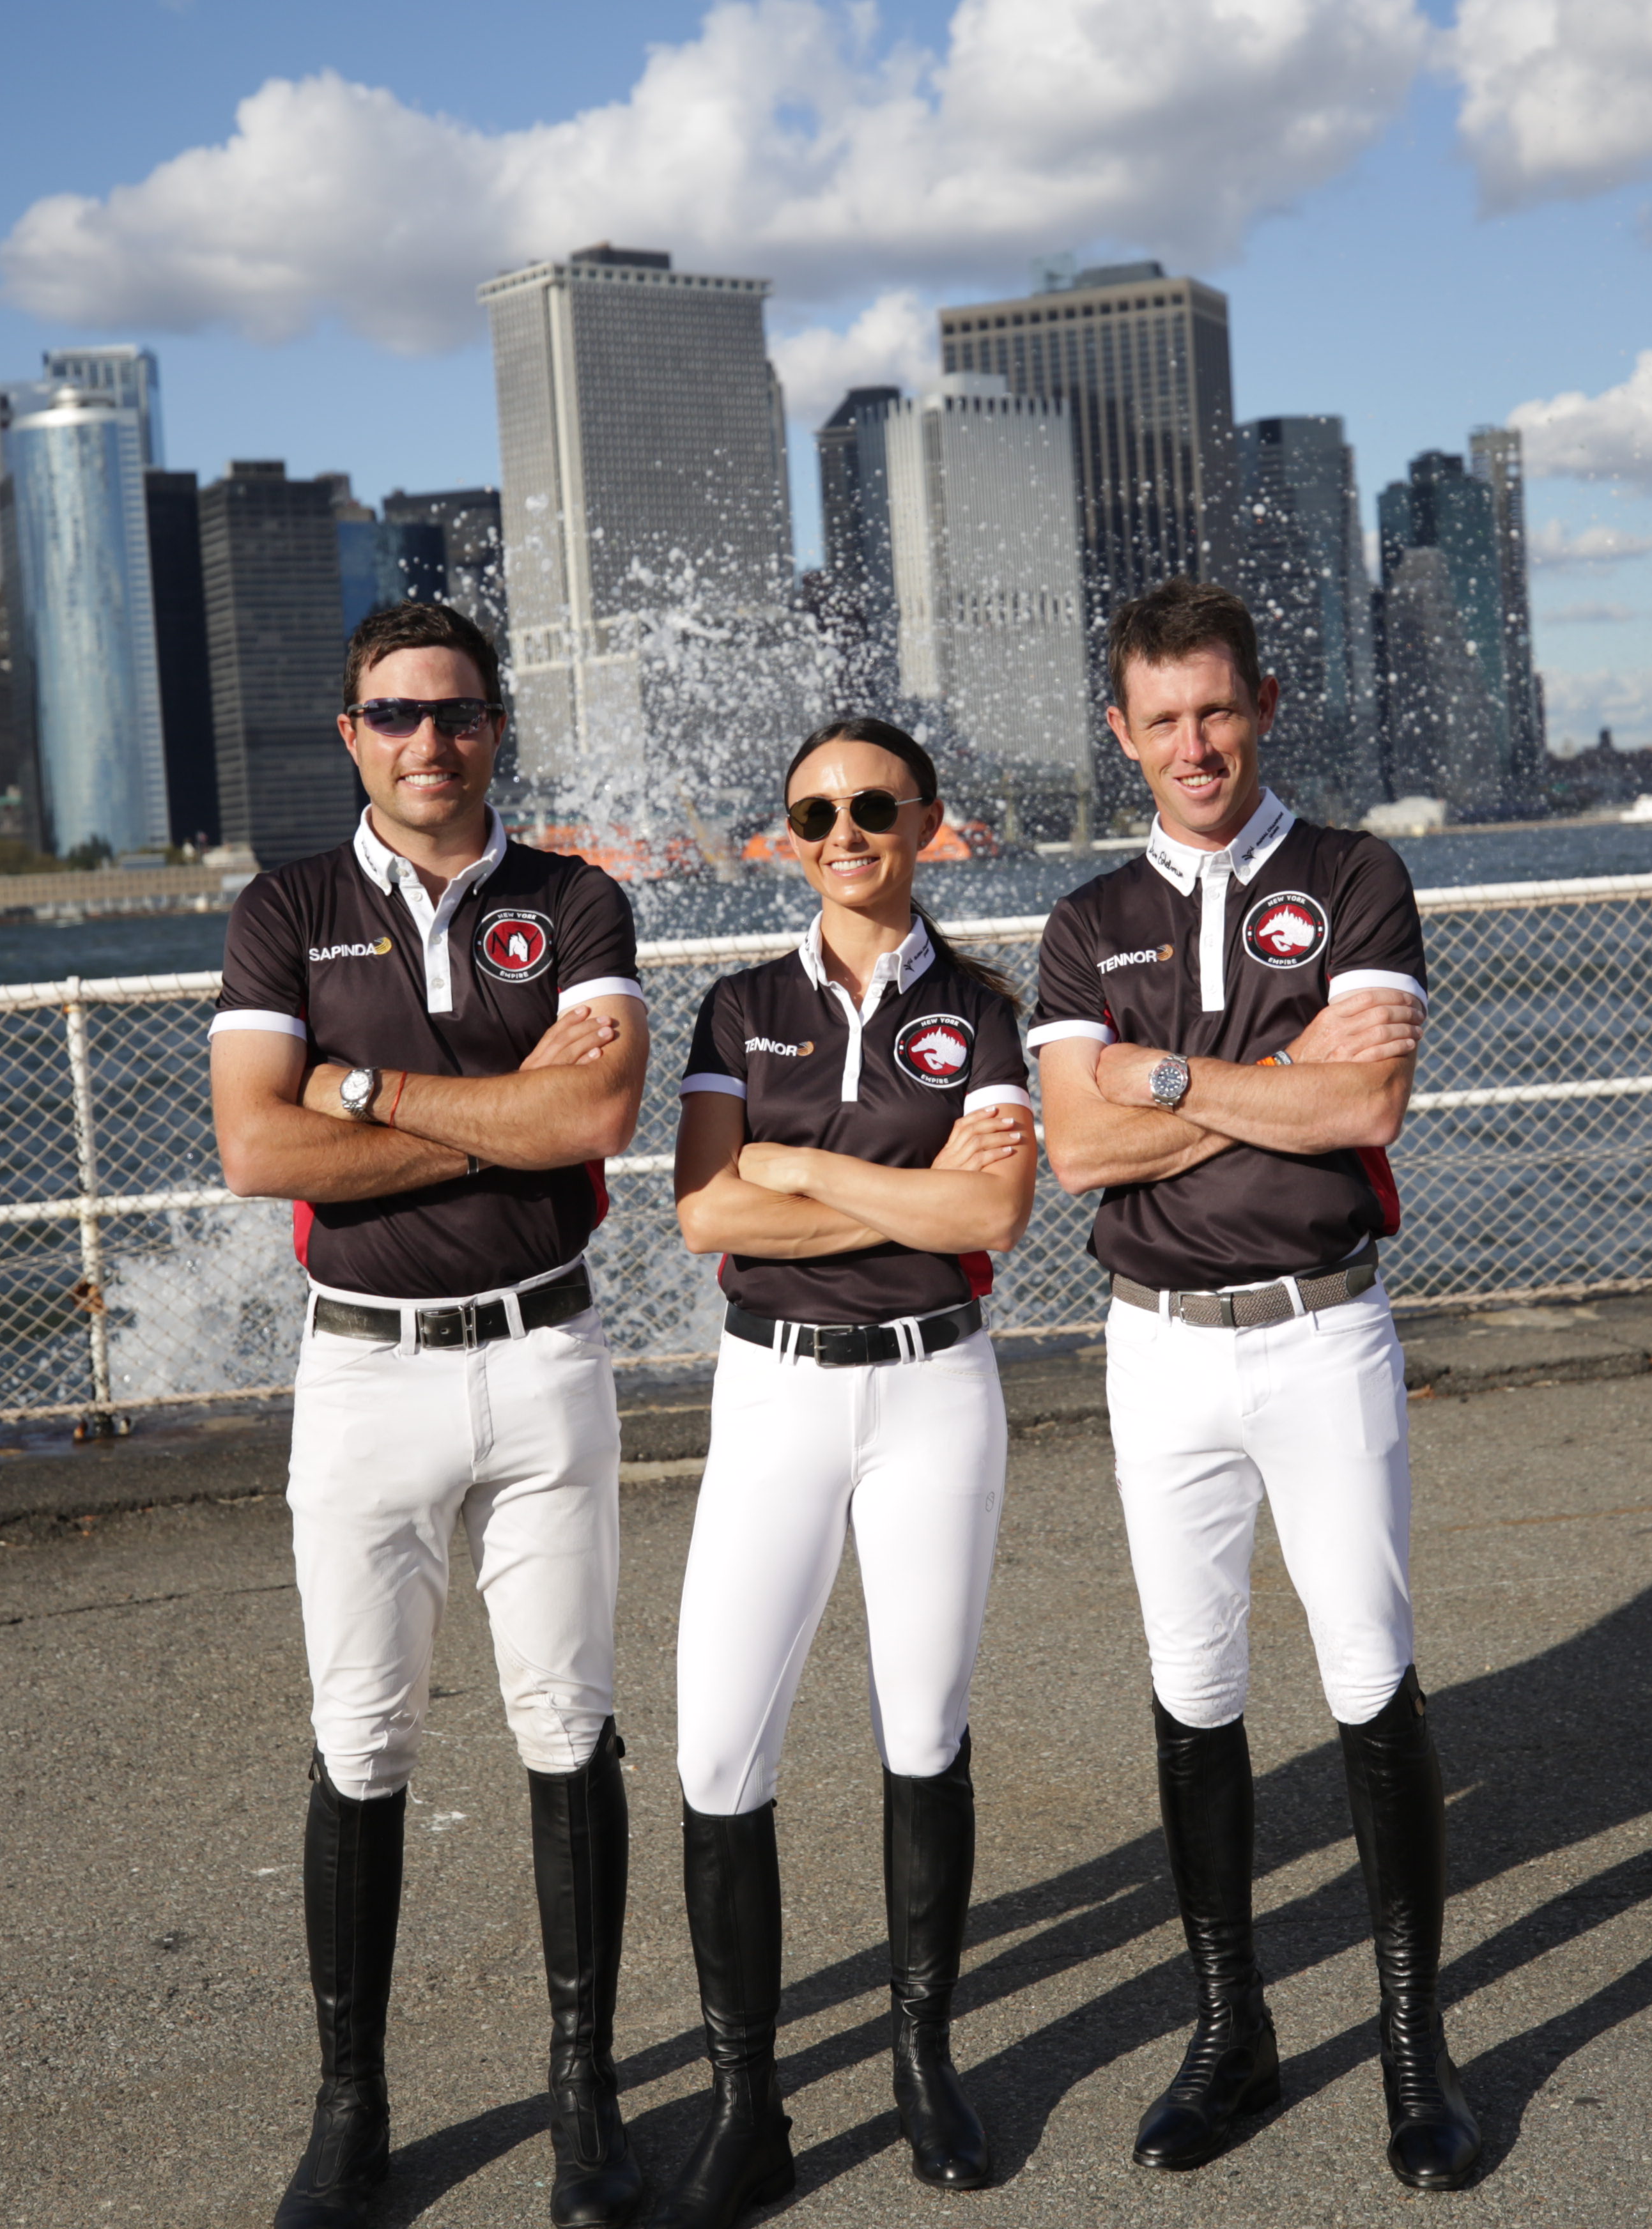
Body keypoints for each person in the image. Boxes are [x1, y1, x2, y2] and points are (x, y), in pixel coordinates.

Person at [1028, 580, 1483, 2191]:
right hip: (1155, 1344)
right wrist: (1264, 1089)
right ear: (1123, 732)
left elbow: (1371, 1101)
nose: (1194, 743)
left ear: (1265, 703)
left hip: (1322, 1329)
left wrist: (1160, 1074)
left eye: (1216, 709)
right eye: (1162, 719)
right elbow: (1077, 1148)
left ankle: (1419, 2049)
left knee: (1370, 1675)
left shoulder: (1355, 873)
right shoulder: (1087, 921)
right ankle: (1236, 2031)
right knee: (1195, 1685)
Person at [207, 601, 653, 2229]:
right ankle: (352, 2108)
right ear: (351, 735)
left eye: (456, 714)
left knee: (565, 1721)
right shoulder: (287, 910)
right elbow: (257, 1151)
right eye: (394, 715)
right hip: (365, 1369)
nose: (427, 742)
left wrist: (374, 1093)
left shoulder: (576, 897)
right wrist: (504, 1123)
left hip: (544, 1357)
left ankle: (588, 2102)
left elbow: (598, 1107)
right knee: (363, 1736)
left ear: (495, 727)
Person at [654, 716, 1041, 2222]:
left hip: (937, 1392)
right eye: (816, 811)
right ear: (789, 835)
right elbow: (702, 1221)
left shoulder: (988, 1008)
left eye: (874, 804)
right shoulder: (736, 1010)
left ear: (929, 821)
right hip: (776, 1397)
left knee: (923, 1730)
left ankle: (921, 2063)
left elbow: (993, 1212)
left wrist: (798, 1171)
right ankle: (748, 2108)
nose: (844, 830)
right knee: (714, 1752)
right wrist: (903, 1192)